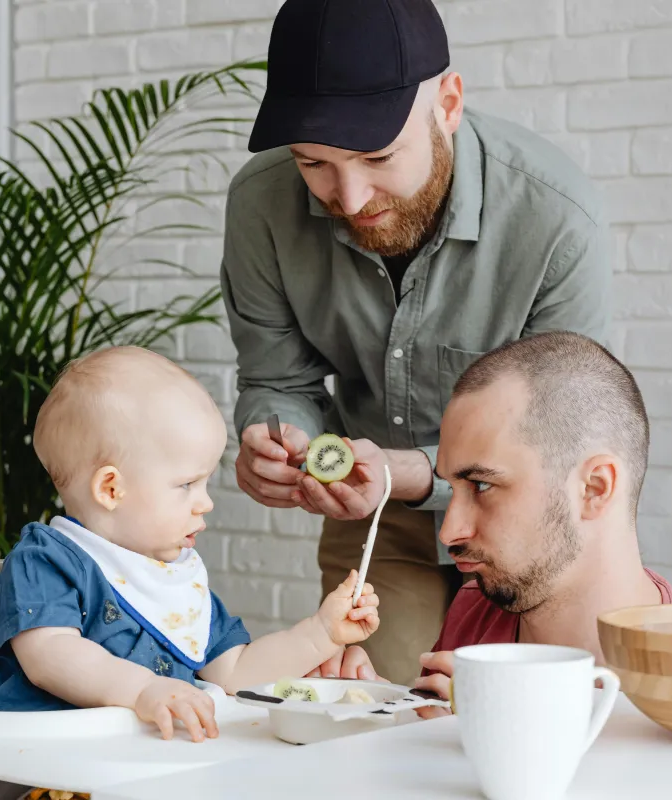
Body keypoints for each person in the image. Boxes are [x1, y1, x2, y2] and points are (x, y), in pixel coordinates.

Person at [221, 0, 611, 686]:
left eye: (376, 155)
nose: (348, 195)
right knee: (377, 722)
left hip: (528, 518)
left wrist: (411, 470)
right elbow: (277, 380)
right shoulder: (261, 205)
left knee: (528, 721)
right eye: (314, 163)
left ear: (449, 103)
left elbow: (563, 438)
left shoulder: (556, 220)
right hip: (375, 519)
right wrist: (274, 441)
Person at [0, 347, 381, 743]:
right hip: (47, 766)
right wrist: (141, 691)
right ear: (111, 488)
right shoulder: (46, 561)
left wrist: (321, 633)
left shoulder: (176, 581)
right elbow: (51, 656)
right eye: (187, 485)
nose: (205, 502)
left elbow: (237, 671)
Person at [408, 331, 672, 711]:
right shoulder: (475, 610)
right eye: (451, 487)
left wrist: (513, 722)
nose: (449, 532)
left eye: (481, 485)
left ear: (594, 489)